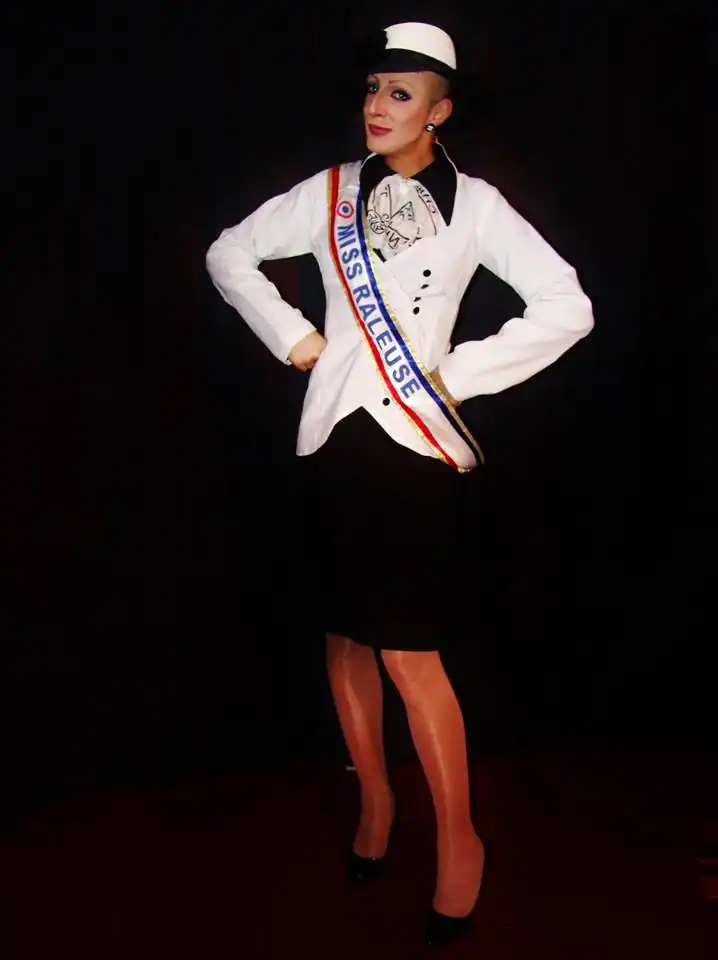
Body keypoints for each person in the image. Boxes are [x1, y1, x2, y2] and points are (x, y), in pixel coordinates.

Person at [206, 21, 594, 946]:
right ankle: (376, 804)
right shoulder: (329, 192)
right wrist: (295, 338)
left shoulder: (481, 207)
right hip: (331, 440)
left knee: (410, 652)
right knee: (344, 638)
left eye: (402, 93)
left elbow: (568, 307)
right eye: (374, 89)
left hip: (415, 446)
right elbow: (228, 254)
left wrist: (457, 375)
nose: (379, 107)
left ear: (440, 110)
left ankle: (459, 838)